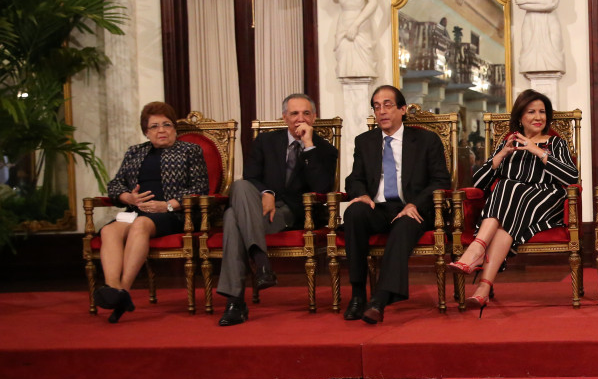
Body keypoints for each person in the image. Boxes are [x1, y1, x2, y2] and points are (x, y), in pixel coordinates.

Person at [450, 90, 579, 315]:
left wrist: (537, 150)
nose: (538, 117)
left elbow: (571, 177)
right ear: (520, 117)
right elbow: (478, 184)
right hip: (512, 206)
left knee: (508, 186)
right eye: (531, 112)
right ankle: (483, 288)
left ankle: (476, 249)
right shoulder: (508, 144)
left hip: (545, 199)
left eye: (542, 112)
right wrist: (500, 156)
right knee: (506, 205)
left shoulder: (556, 144)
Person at [214, 93, 339, 326]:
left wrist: (309, 146)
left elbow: (321, 188)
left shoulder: (324, 150)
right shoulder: (265, 141)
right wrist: (266, 193)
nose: (300, 118)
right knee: (240, 186)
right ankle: (261, 264)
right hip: (261, 209)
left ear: (314, 117)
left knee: (232, 218)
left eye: (306, 113)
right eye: (294, 113)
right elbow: (251, 177)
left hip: (295, 213)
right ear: (284, 117)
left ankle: (235, 301)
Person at [341, 84, 451, 323]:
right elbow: (354, 178)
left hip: (412, 208)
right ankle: (358, 295)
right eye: (376, 107)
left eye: (387, 105)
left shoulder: (426, 140)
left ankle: (379, 300)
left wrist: (414, 204)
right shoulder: (365, 141)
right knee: (354, 213)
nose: (381, 111)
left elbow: (441, 180)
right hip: (377, 208)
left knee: (404, 224)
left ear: (402, 109)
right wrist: (362, 194)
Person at [93, 102, 208, 323]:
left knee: (141, 225)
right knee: (109, 231)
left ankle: (124, 290)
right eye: (154, 126)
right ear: (146, 132)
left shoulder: (189, 151)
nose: (161, 130)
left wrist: (166, 205)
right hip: (136, 211)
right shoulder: (135, 152)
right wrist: (127, 197)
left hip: (174, 214)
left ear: (174, 128)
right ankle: (113, 289)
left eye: (166, 124)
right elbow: (115, 184)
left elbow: (199, 188)